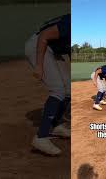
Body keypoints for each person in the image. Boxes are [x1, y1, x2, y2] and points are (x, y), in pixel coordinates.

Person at [25, 14, 70, 155]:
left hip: (54, 49)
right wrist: (39, 65)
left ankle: (56, 125)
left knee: (69, 88)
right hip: (39, 45)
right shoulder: (72, 23)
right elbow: (44, 36)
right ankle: (41, 137)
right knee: (58, 90)